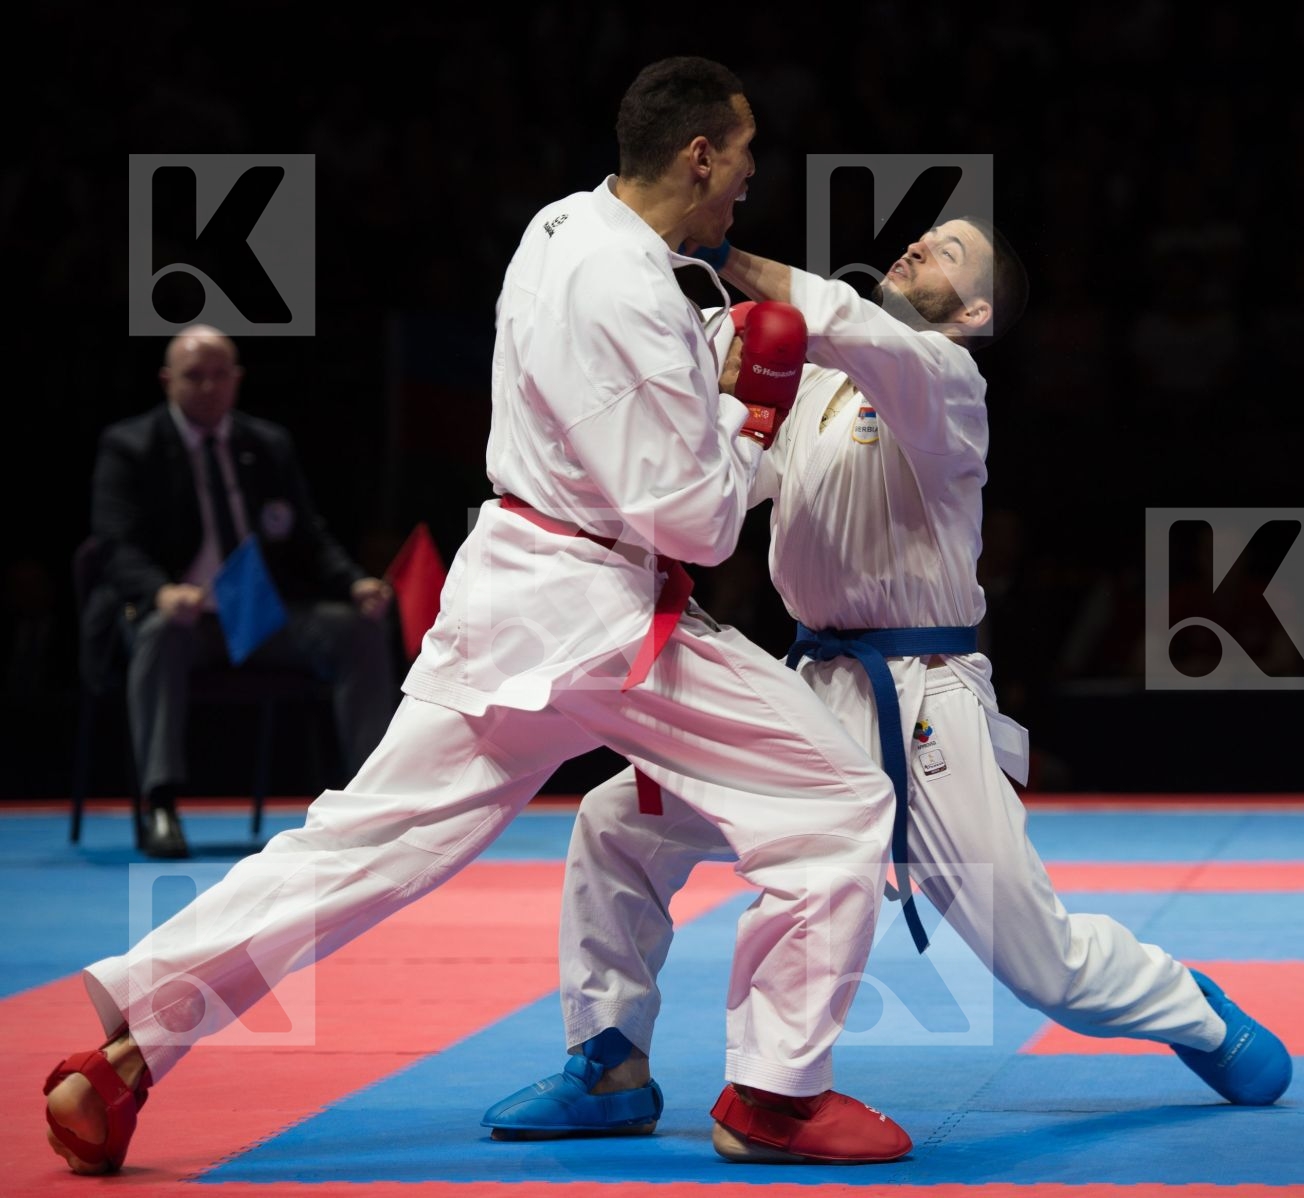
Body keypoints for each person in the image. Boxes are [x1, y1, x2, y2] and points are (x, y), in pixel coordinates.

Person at [44, 56, 911, 1175]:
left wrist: (709, 376)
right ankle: (777, 1099)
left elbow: (605, 413)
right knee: (839, 801)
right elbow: (692, 521)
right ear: (700, 155)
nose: (748, 185)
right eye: (742, 161)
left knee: (366, 841)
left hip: (512, 593)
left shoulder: (559, 228)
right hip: (603, 616)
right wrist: (753, 420)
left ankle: (125, 1056)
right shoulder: (634, 287)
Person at [482, 217, 1292, 1155]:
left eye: (948, 252)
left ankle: (1196, 1014)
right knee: (619, 823)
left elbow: (846, 322)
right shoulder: (822, 385)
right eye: (920, 237)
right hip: (806, 685)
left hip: (922, 701)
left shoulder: (947, 384)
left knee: (1041, 963)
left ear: (977, 309)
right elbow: (723, 484)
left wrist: (720, 254)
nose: (917, 247)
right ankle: (610, 1063)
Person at [85, 327, 397, 858]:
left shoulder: (265, 444)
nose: (208, 387)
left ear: (237, 379)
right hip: (184, 620)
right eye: (193, 377)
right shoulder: (130, 446)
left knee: (356, 628)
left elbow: (306, 535)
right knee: (160, 633)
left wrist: (353, 581)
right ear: (167, 381)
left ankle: (373, 805)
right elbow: (114, 545)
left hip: (260, 618)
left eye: (218, 375)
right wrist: (161, 592)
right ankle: (159, 805)